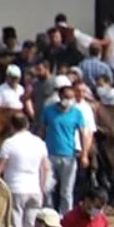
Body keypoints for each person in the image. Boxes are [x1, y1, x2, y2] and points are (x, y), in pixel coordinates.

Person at [0, 112, 50, 227]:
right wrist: (42, 188)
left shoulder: (8, 143)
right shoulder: (39, 142)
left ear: (12, 126)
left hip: (15, 188)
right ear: (27, 125)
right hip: (34, 189)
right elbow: (45, 168)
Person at [41, 76, 90, 214]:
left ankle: (65, 217)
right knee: (47, 188)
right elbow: (42, 131)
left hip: (69, 156)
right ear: (59, 96)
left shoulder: (77, 113)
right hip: (50, 155)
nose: (68, 101)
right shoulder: (48, 111)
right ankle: (48, 214)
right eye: (66, 97)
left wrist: (84, 154)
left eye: (71, 98)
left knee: (66, 191)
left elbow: (82, 134)